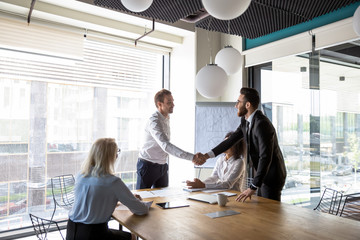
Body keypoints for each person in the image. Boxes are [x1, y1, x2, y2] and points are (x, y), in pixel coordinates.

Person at [200, 87, 287, 201]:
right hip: (263, 176)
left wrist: (254, 186)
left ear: (248, 105)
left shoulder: (262, 124)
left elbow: (265, 156)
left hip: (272, 177)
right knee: (262, 211)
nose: (236, 105)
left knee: (270, 213)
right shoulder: (245, 121)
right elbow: (230, 141)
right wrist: (207, 156)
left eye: (239, 102)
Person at [67, 138, 150, 240]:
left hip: (72, 231)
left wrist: (122, 201)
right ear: (110, 156)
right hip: (94, 234)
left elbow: (95, 202)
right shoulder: (112, 181)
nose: (117, 155)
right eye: (116, 152)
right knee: (131, 237)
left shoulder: (81, 175)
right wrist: (135, 201)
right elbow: (141, 210)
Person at [136, 89, 203, 189]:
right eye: (169, 102)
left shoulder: (166, 117)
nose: (173, 105)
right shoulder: (154, 121)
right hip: (147, 166)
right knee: (142, 201)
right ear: (159, 104)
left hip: (162, 166)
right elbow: (166, 146)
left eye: (173, 101)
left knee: (163, 200)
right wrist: (192, 157)